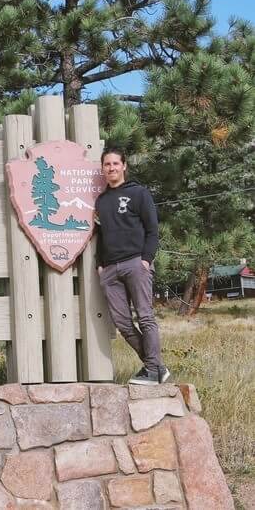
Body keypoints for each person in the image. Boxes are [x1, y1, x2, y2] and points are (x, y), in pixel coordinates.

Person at [95, 148, 170, 385]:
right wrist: (100, 264)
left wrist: (146, 260)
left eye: (116, 163)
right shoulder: (102, 201)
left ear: (124, 166)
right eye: (107, 164)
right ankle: (156, 368)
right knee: (123, 324)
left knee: (145, 317)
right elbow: (101, 234)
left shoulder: (139, 193)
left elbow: (152, 230)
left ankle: (152, 369)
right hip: (110, 270)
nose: (111, 168)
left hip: (135, 263)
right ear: (103, 168)